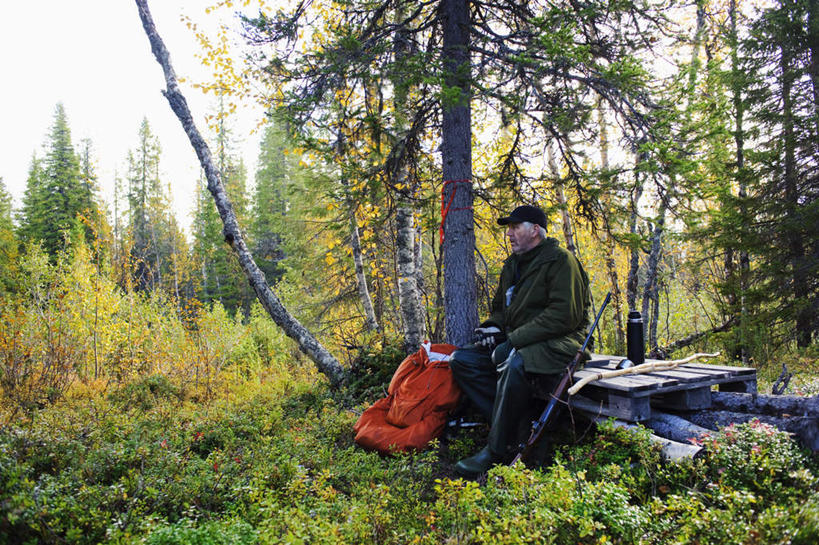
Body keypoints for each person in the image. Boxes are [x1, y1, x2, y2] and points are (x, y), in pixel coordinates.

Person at [450, 204, 592, 477]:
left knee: (514, 361)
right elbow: (502, 310)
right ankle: (518, 427)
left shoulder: (561, 261)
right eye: (509, 229)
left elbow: (565, 316)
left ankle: (496, 450)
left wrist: (513, 340)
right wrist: (493, 328)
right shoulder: (512, 265)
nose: (509, 234)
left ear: (535, 230)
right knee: (462, 360)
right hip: (523, 340)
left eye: (515, 228)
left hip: (563, 342)